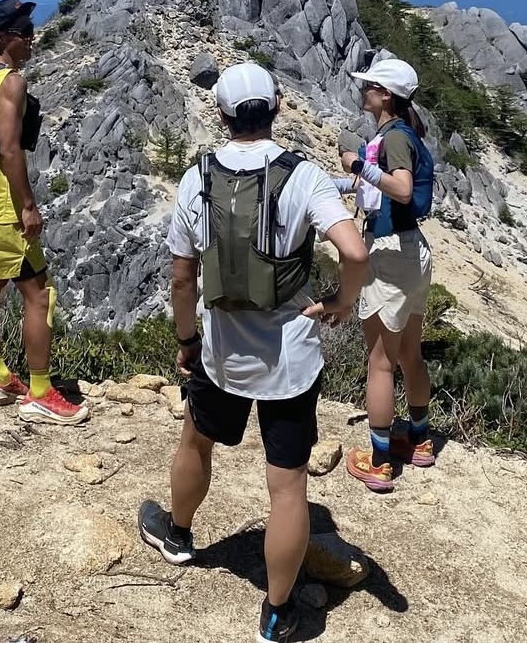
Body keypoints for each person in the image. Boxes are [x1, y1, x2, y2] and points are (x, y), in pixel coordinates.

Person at [137, 62, 369, 644]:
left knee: (197, 440)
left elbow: (183, 278)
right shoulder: (304, 176)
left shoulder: (197, 177)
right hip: (290, 359)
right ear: (278, 107)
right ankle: (277, 612)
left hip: (220, 352)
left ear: (221, 114)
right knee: (287, 487)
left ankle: (178, 535)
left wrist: (187, 342)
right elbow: (355, 252)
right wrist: (342, 302)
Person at [0, 0, 87, 425]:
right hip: (3, 209)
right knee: (39, 296)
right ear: (1, 37)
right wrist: (28, 206)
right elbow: (10, 150)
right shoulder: (11, 83)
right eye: (24, 32)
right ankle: (41, 392)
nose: (33, 37)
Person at [340, 57, 433, 491]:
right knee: (409, 352)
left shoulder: (393, 138)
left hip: (390, 253)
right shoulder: (402, 134)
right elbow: (378, 189)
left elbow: (400, 187)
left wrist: (357, 166)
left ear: (385, 95)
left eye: (369, 86)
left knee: (380, 363)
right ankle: (418, 440)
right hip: (412, 251)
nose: (363, 91)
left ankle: (379, 461)